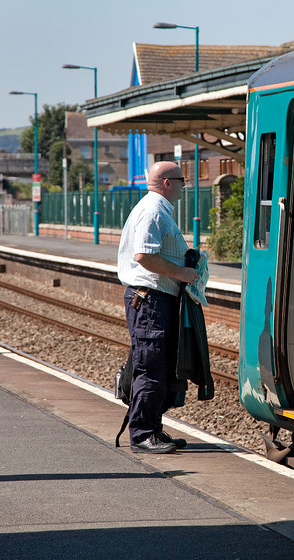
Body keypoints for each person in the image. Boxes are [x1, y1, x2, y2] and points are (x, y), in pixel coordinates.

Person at [117, 161, 199, 454]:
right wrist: (183, 274)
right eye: (181, 180)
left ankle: (152, 428)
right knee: (151, 367)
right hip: (149, 299)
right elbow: (144, 256)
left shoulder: (158, 209)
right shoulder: (153, 212)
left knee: (160, 366)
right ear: (167, 182)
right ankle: (142, 434)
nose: (183, 185)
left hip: (154, 299)